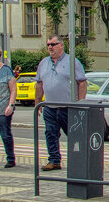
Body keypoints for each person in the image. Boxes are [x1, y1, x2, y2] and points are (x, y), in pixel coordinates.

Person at [34, 36, 86, 171]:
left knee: (75, 135)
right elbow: (39, 84)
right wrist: (37, 102)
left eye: (53, 44)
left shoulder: (72, 61)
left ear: (62, 45)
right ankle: (54, 160)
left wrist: (80, 103)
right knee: (50, 134)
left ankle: (80, 160)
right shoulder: (44, 63)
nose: (50, 47)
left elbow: (82, 82)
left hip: (68, 107)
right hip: (50, 107)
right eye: (48, 45)